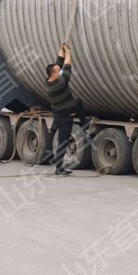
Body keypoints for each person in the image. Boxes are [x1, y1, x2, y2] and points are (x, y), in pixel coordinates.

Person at [46, 42, 89, 176]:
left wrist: (61, 50)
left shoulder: (49, 80)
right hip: (64, 115)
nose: (60, 71)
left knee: (62, 141)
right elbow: (68, 66)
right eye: (58, 71)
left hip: (59, 113)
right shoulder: (59, 83)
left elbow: (59, 62)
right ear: (54, 74)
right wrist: (68, 52)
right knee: (63, 143)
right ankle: (59, 169)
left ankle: (83, 121)